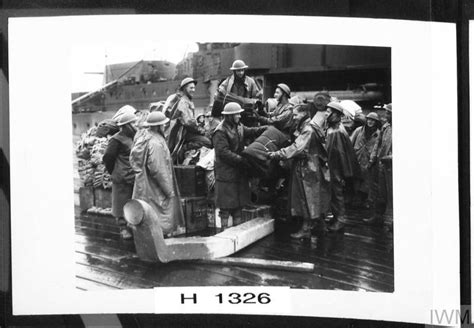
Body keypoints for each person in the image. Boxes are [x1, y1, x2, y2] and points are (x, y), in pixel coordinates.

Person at [267, 104, 330, 239]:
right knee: (313, 198)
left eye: (296, 114)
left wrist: (277, 154)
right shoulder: (304, 126)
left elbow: (297, 147)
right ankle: (321, 226)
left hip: (307, 167)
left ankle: (306, 229)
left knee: (306, 198)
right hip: (308, 166)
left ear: (303, 114)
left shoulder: (307, 129)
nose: (294, 117)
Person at [212, 102, 267, 231]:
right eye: (236, 114)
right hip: (225, 173)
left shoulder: (239, 126)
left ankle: (237, 232)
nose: (239, 116)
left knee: (238, 205)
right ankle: (224, 231)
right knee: (225, 207)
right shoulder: (220, 131)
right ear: (229, 116)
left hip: (238, 171)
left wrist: (265, 129)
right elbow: (223, 153)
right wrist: (241, 160)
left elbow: (250, 131)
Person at [129, 111, 185, 236]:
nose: (165, 127)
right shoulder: (156, 143)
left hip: (144, 185)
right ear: (158, 126)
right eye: (163, 125)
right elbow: (158, 169)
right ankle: (160, 241)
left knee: (147, 214)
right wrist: (169, 190)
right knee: (160, 215)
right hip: (156, 188)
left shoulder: (143, 137)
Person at [325, 101, 361, 232]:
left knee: (337, 194)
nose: (326, 114)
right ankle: (336, 217)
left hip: (336, 169)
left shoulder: (337, 131)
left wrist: (342, 174)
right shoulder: (333, 128)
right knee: (334, 194)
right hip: (333, 167)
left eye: (329, 112)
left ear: (336, 114)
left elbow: (341, 154)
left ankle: (340, 220)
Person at [102, 112, 138, 239]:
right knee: (120, 202)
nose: (136, 125)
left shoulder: (133, 137)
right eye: (133, 123)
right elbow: (108, 157)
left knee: (132, 201)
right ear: (126, 125)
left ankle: (132, 223)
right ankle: (123, 227)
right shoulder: (116, 139)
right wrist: (114, 171)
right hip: (121, 177)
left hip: (133, 175)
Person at [168, 77, 212, 163]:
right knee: (207, 142)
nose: (193, 90)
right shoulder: (184, 102)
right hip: (184, 132)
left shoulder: (188, 101)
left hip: (188, 130)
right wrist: (200, 130)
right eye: (191, 88)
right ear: (184, 89)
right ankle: (184, 149)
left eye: (194, 88)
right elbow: (188, 122)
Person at [364, 104, 392, 230]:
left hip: (391, 165)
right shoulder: (385, 127)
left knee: (391, 194)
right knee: (380, 192)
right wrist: (372, 159)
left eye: (388, 113)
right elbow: (377, 144)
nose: (386, 116)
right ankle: (378, 216)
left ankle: (392, 220)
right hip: (381, 164)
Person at [350, 112, 381, 209]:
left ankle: (366, 200)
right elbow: (350, 142)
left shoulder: (378, 134)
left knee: (367, 182)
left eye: (373, 120)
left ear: (376, 122)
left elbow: (378, 148)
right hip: (357, 158)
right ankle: (356, 199)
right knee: (356, 180)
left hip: (369, 161)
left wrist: (373, 160)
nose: (370, 122)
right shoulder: (358, 130)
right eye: (369, 119)